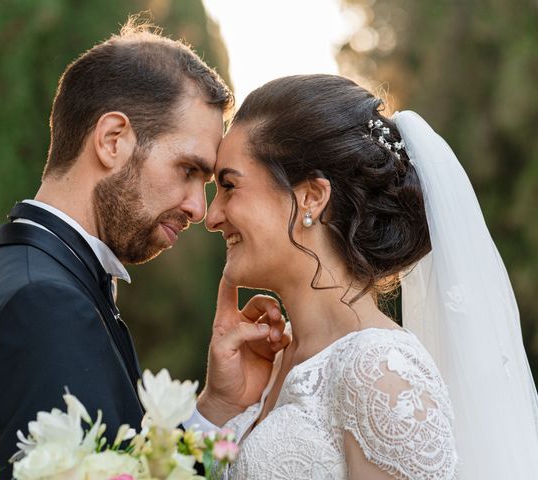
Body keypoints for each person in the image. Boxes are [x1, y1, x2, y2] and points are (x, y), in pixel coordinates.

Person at [0, 21, 288, 480]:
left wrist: (218, 407)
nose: (197, 208)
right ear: (113, 140)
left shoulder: (5, 281)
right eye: (188, 169)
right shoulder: (44, 307)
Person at [204, 74, 538, 479]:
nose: (211, 216)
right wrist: (220, 405)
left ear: (311, 197)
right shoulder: (275, 364)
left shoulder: (380, 372)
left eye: (229, 186)